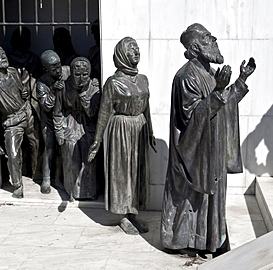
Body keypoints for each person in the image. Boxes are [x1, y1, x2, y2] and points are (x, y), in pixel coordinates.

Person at [160, 23, 256, 257]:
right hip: (196, 154)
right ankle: (189, 241)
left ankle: (211, 239)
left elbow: (224, 102)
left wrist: (241, 80)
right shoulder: (186, 76)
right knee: (193, 200)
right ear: (195, 48)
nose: (214, 41)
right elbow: (191, 117)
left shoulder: (210, 73)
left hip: (214, 147)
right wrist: (217, 92)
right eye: (208, 39)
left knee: (212, 199)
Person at [88, 37, 157, 235]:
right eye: (131, 49)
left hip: (140, 128)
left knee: (137, 173)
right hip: (121, 130)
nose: (136, 52)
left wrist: (150, 131)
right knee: (122, 174)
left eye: (137, 48)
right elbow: (103, 112)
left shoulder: (143, 79)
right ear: (121, 55)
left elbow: (147, 108)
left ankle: (134, 213)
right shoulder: (113, 83)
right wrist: (97, 140)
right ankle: (123, 216)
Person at [0, 46, 38, 199]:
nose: (3, 57)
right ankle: (17, 185)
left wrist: (24, 93)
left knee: (37, 144)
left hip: (26, 111)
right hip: (12, 121)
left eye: (3, 54)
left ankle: (37, 173)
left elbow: (21, 91)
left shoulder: (13, 72)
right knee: (13, 154)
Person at [54, 57, 101, 201]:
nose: (81, 78)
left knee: (88, 152)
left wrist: (84, 95)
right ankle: (71, 190)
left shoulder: (94, 88)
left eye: (85, 75)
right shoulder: (63, 87)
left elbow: (93, 113)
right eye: (77, 74)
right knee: (70, 148)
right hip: (70, 122)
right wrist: (59, 130)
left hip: (88, 124)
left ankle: (89, 192)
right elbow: (57, 112)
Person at [36, 50, 70, 194]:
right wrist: (53, 90)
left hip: (65, 118)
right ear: (46, 69)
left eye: (59, 65)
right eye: (54, 68)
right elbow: (46, 106)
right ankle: (46, 179)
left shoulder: (67, 71)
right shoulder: (41, 83)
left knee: (62, 149)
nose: (58, 70)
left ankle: (58, 178)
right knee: (49, 149)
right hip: (48, 121)